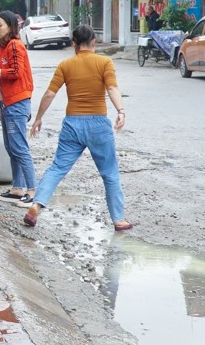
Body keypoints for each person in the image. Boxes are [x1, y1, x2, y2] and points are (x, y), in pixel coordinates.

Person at [25, 25, 131, 231]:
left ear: (73, 43)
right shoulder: (104, 62)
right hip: (98, 124)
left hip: (72, 123)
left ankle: (36, 205)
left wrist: (38, 118)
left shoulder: (66, 64)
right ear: (93, 42)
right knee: (109, 173)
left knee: (57, 168)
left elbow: (49, 94)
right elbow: (112, 88)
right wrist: (121, 111)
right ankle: (118, 219)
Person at [0, 12, 37, 206]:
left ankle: (32, 191)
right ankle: (17, 188)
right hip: (8, 104)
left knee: (20, 148)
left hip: (17, 103)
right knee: (12, 148)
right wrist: (1, 104)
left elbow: (17, 72)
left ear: (10, 26)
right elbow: (3, 82)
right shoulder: (2, 49)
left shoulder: (16, 45)